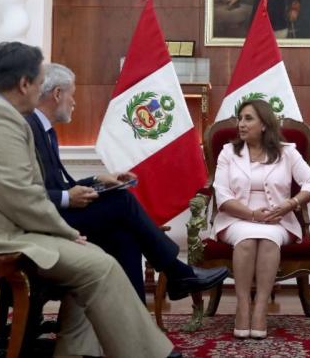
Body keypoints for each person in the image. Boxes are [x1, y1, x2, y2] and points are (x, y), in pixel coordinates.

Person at [0, 42, 177, 358]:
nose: (41, 90)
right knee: (99, 265)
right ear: (24, 84)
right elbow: (20, 195)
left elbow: (25, 191)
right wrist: (67, 233)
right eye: (39, 82)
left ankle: (77, 353)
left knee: (94, 259)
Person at [26, 63, 229, 302]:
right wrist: (68, 197)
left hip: (56, 213)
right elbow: (25, 192)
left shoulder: (45, 130)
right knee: (121, 200)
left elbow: (55, 185)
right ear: (57, 94)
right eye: (72, 94)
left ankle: (138, 314)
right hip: (43, 221)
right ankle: (177, 272)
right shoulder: (29, 128)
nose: (74, 102)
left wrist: (97, 180)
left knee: (125, 235)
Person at [212, 99, 310, 339]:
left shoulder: (287, 152)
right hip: (235, 219)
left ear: (264, 124)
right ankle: (243, 307)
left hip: (278, 220)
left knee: (269, 239)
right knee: (246, 239)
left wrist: (289, 204)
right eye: (240, 119)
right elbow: (222, 195)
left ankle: (261, 308)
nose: (241, 124)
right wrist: (252, 214)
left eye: (248, 119)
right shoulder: (228, 152)